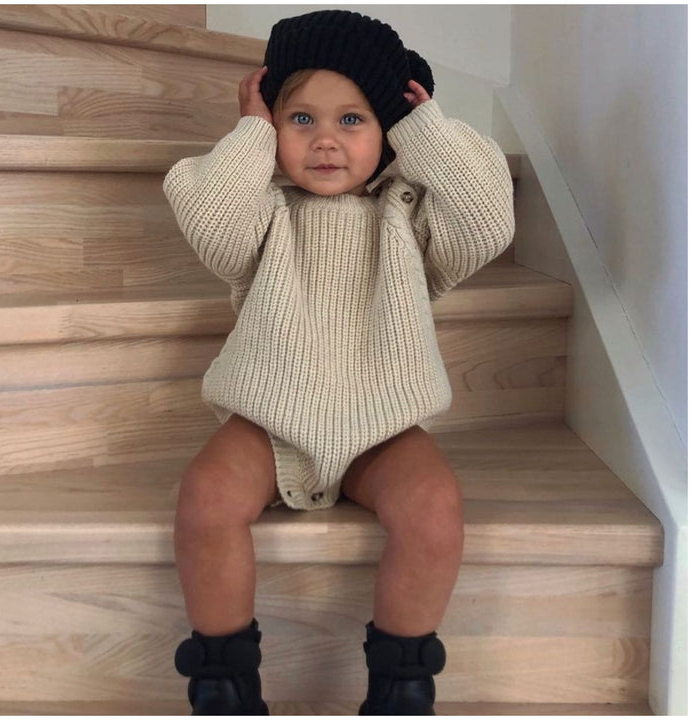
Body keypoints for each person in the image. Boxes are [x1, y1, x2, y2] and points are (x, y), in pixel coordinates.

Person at [164, 9, 514, 716]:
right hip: (269, 422)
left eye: (353, 120)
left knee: (435, 507)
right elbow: (210, 225)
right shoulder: (263, 210)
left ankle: (401, 685)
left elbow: (488, 221)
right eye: (300, 119)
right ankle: (225, 681)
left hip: (380, 426)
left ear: (391, 131)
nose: (325, 139)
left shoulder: (409, 215)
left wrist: (425, 130)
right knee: (205, 497)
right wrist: (250, 133)